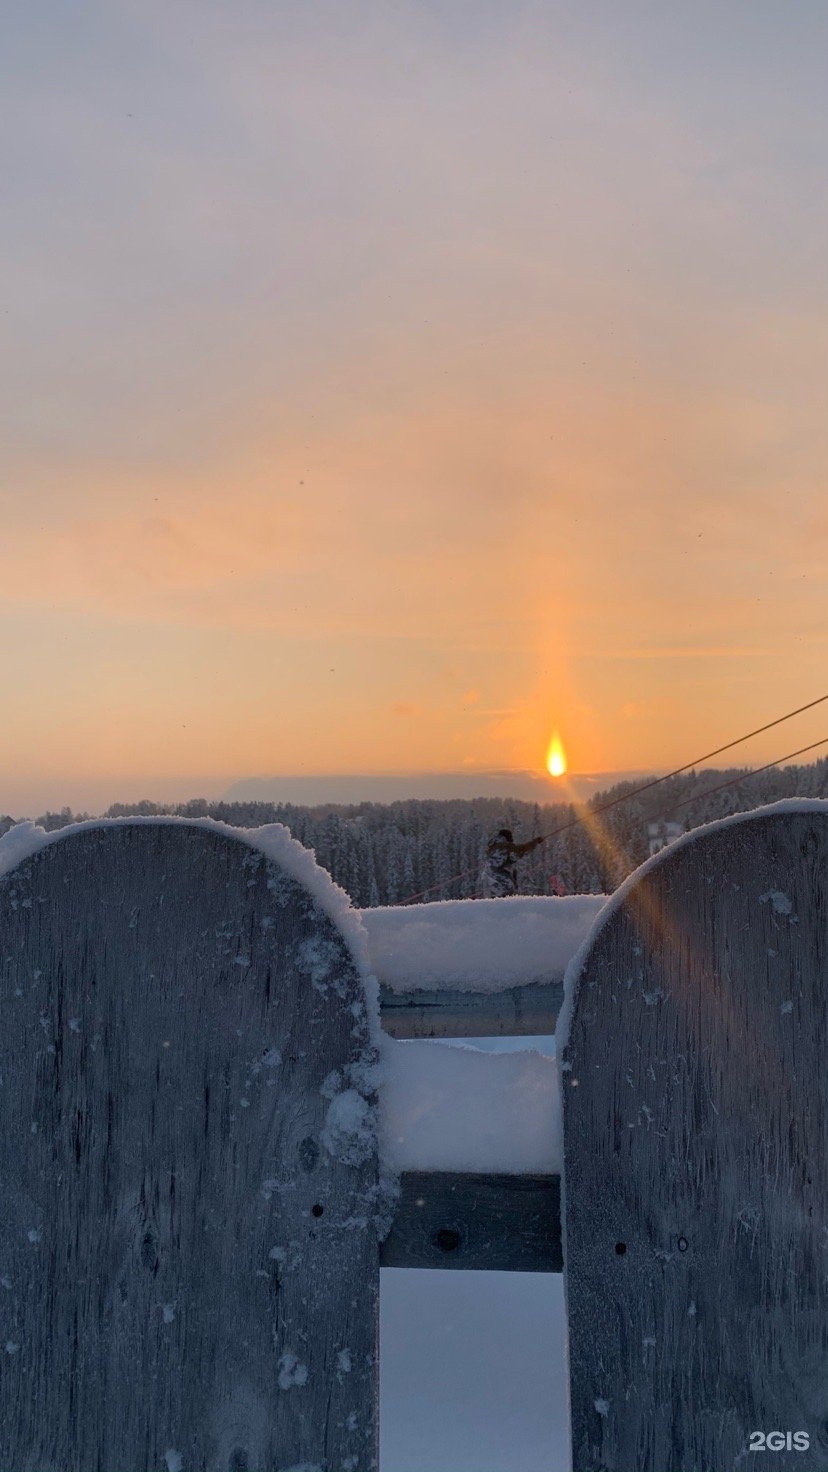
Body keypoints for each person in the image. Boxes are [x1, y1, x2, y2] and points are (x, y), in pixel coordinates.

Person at [484, 827, 544, 897]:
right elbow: (521, 849)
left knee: (507, 883)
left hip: (489, 870)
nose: (512, 840)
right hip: (496, 871)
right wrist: (535, 842)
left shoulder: (495, 844)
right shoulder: (505, 845)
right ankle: (505, 902)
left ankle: (500, 898)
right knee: (509, 886)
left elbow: (505, 858)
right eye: (511, 838)